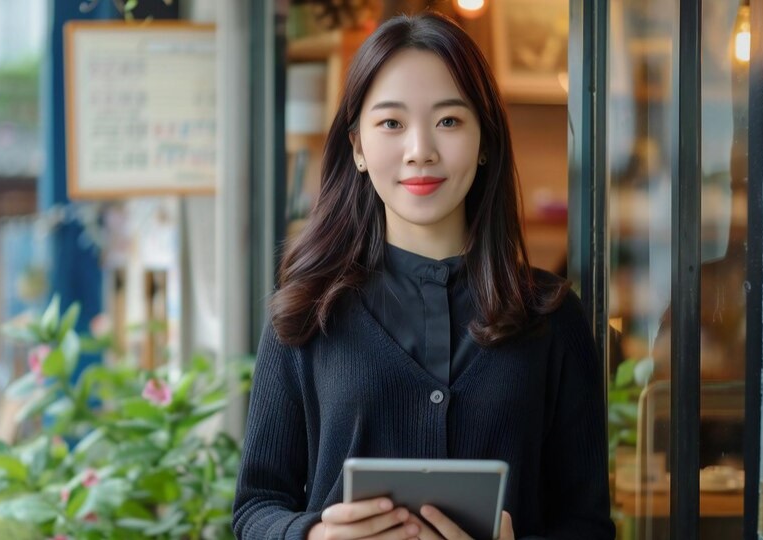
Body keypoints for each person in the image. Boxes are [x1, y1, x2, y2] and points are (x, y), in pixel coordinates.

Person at [233, 12, 614, 540]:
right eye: (391, 123)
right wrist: (314, 535)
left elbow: (589, 524)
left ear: (484, 142)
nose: (420, 151)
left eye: (449, 121)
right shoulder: (306, 313)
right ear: (358, 147)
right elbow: (256, 509)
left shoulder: (550, 317)